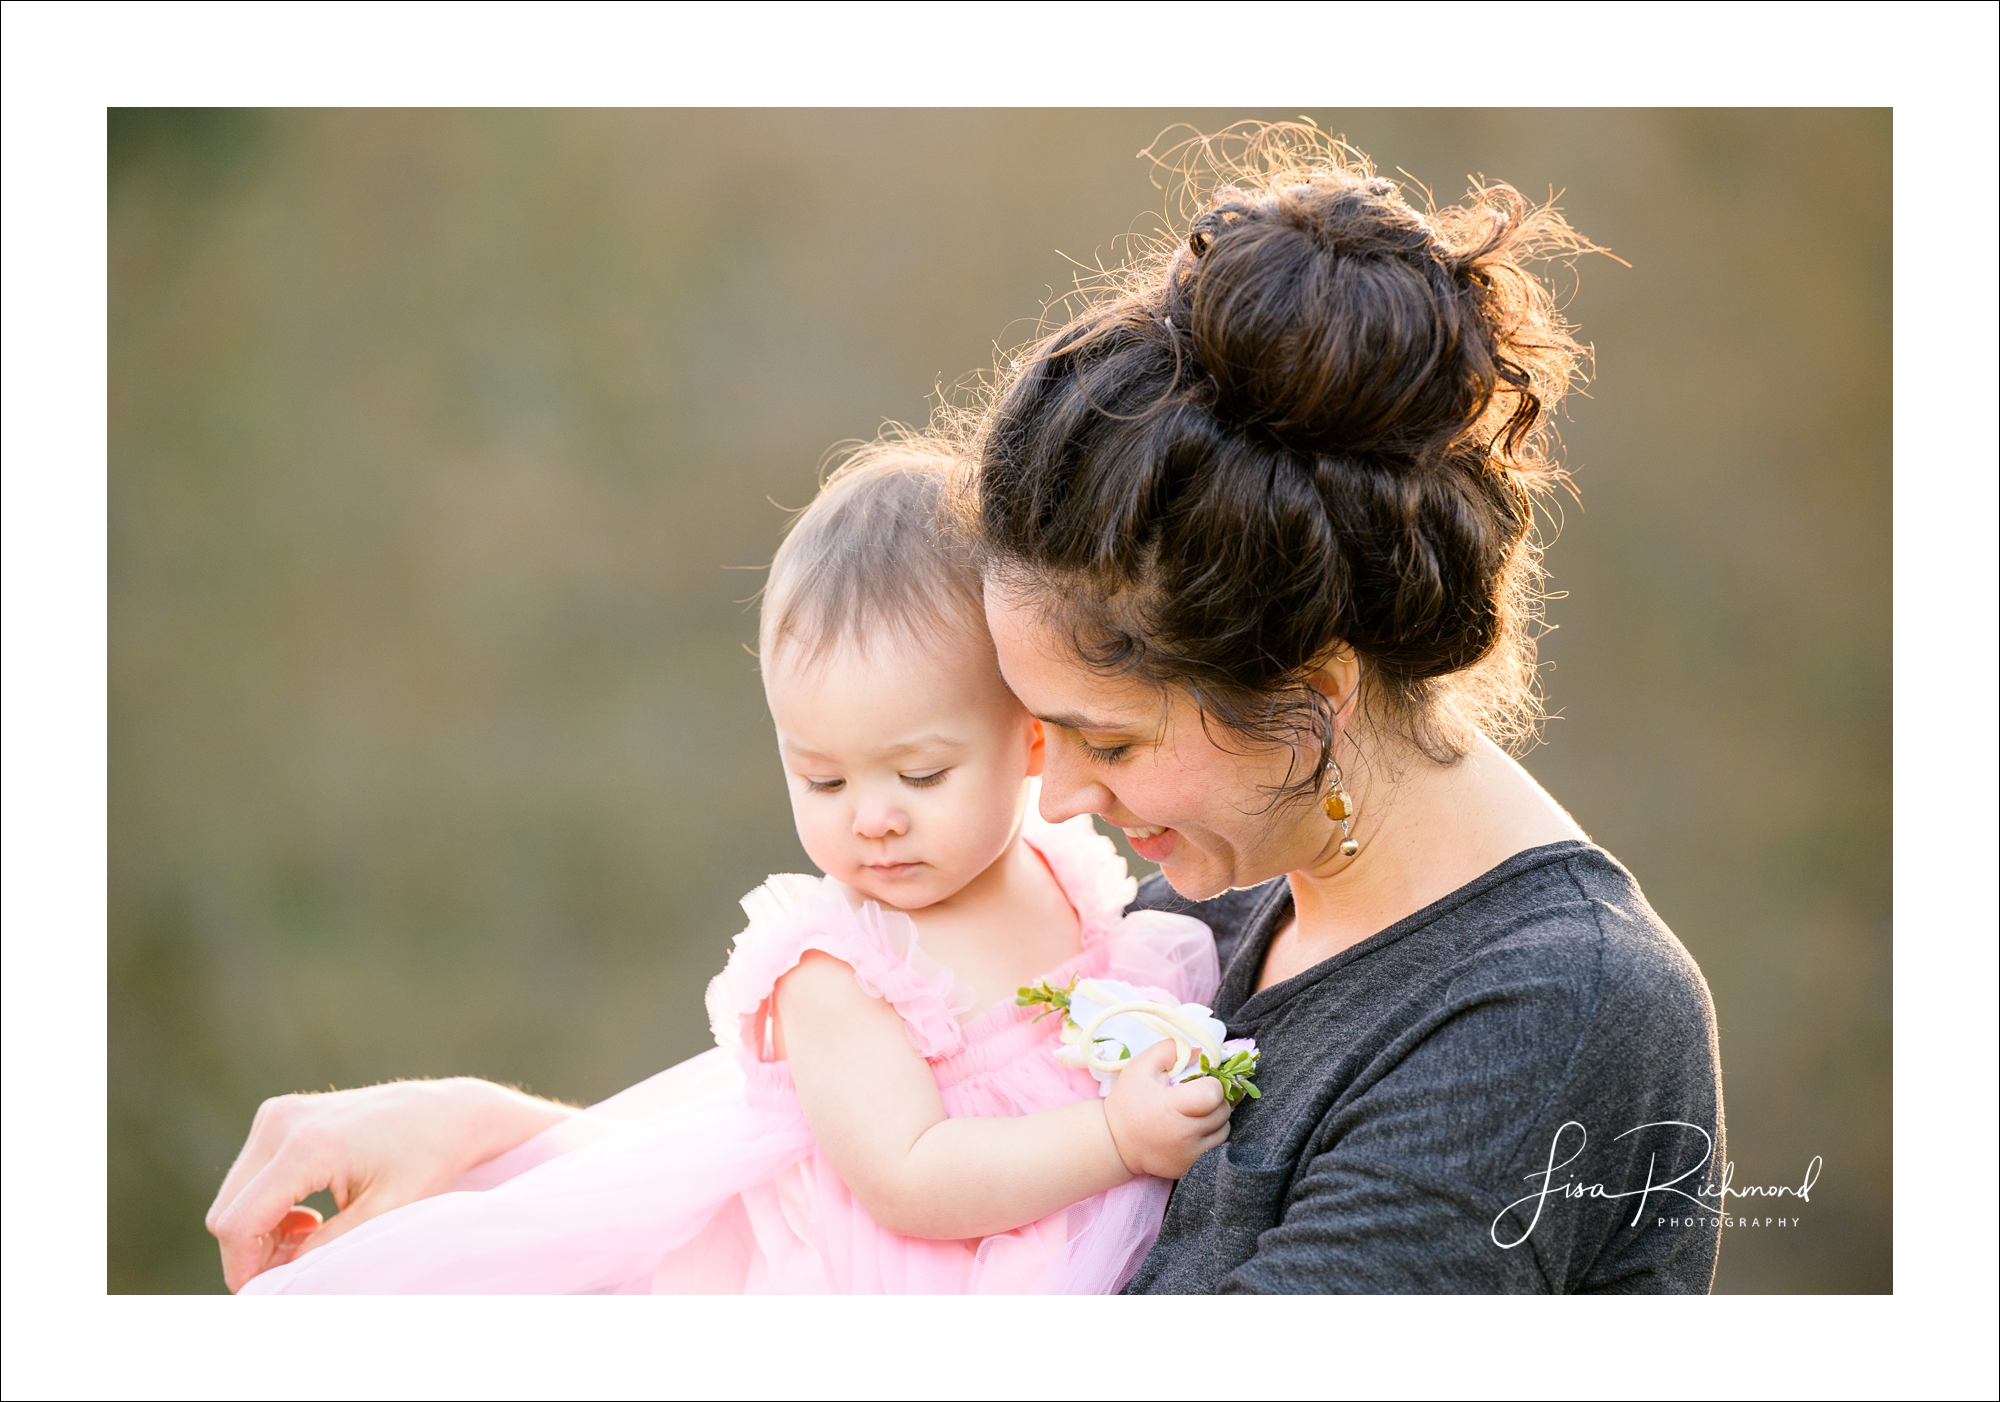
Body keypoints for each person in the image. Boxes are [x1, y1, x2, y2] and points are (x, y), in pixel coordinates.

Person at [967, 125, 1725, 1292]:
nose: (1057, 801)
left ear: (1312, 696)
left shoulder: (1546, 1013)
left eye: (1108, 739)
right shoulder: (1208, 902)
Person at [221, 444, 1229, 1294]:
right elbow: (911, 1177)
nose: (872, 818)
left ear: (1033, 741)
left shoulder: (1066, 864)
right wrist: (1112, 1138)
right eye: (822, 777)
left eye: (919, 773)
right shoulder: (837, 968)